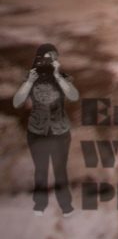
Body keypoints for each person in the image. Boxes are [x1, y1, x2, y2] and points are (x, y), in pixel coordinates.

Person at [13, 43, 79, 216]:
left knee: (60, 170)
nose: (47, 63)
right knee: (40, 170)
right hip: (37, 131)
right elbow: (17, 102)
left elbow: (73, 96)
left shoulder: (63, 77)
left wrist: (58, 76)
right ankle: (40, 205)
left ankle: (66, 206)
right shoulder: (30, 78)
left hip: (59, 131)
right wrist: (29, 82)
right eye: (44, 59)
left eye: (51, 59)